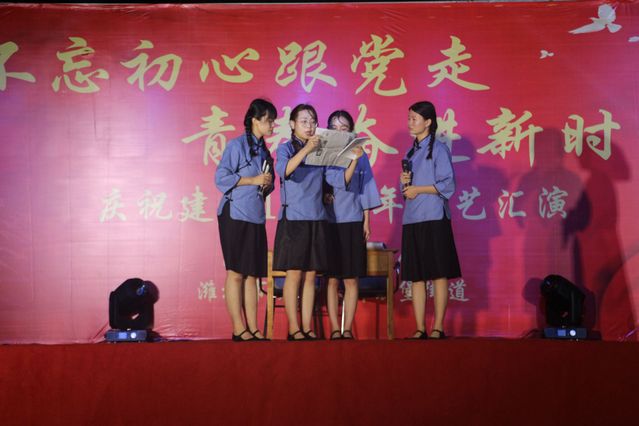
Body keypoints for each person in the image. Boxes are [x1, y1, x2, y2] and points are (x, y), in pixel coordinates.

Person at [215, 98, 276, 341]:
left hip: (256, 216)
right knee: (236, 272)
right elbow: (221, 177)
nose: (272, 125)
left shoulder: (264, 151)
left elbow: (267, 185)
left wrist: (267, 183)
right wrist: (253, 180)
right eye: (269, 120)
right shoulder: (236, 145)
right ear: (255, 121)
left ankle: (253, 328)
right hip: (235, 214)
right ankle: (238, 328)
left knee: (253, 274)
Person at [400, 101, 461, 339]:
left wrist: (419, 189)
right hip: (412, 218)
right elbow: (407, 191)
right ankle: (420, 328)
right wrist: (405, 184)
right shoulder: (409, 152)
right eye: (409, 118)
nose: (410, 123)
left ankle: (438, 327)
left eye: (414, 118)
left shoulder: (439, 149)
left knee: (438, 273)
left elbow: (447, 184)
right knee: (416, 275)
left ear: (428, 122)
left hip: (434, 217)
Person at [273, 104, 329, 341]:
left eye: (313, 121)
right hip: (294, 218)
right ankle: (293, 328)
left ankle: (306, 327)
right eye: (304, 121)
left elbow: (329, 179)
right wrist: (306, 149)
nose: (310, 126)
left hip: (316, 216)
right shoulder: (285, 148)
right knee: (294, 274)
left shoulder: (321, 149)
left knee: (311, 275)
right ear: (292, 124)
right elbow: (284, 170)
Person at [324, 110, 381, 340]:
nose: (339, 131)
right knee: (331, 278)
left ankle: (347, 329)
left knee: (351, 278)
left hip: (353, 220)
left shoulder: (360, 155)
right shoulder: (324, 153)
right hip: (330, 221)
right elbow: (334, 181)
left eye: (344, 127)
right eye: (334, 127)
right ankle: (334, 329)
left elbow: (366, 187)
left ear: (351, 131)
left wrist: (367, 220)